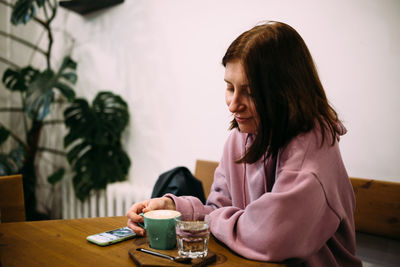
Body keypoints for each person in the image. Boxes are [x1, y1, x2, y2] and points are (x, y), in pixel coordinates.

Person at [126, 21, 362, 266]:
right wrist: (173, 207)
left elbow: (270, 237)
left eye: (249, 92)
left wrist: (213, 219)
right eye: (229, 87)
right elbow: (219, 209)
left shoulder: (311, 153)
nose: (233, 104)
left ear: (286, 92)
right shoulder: (239, 139)